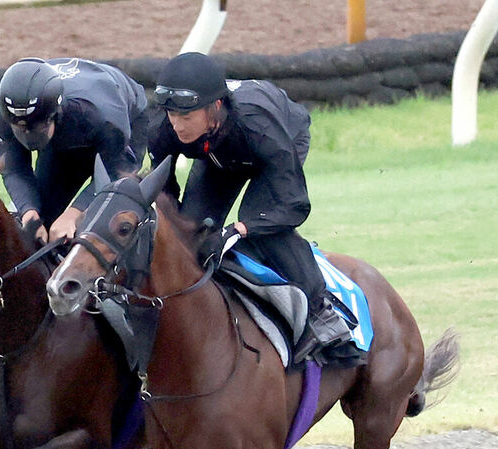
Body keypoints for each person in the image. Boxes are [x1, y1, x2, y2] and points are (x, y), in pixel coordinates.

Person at [148, 51, 356, 363]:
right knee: (194, 233)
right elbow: (164, 194)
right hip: (218, 150)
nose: (177, 127)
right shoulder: (164, 130)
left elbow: (293, 205)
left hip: (278, 141)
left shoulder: (259, 126)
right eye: (171, 116)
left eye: (186, 117)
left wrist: (240, 229)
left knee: (260, 229)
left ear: (215, 106)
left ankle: (322, 313)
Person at [0, 57, 148, 242]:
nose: (27, 136)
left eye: (38, 129)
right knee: (42, 223)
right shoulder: (2, 114)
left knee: (104, 222)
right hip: (68, 133)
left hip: (123, 121)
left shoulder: (100, 116)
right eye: (19, 129)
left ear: (55, 114)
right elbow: (14, 168)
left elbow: (117, 172)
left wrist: (73, 214)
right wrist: (29, 213)